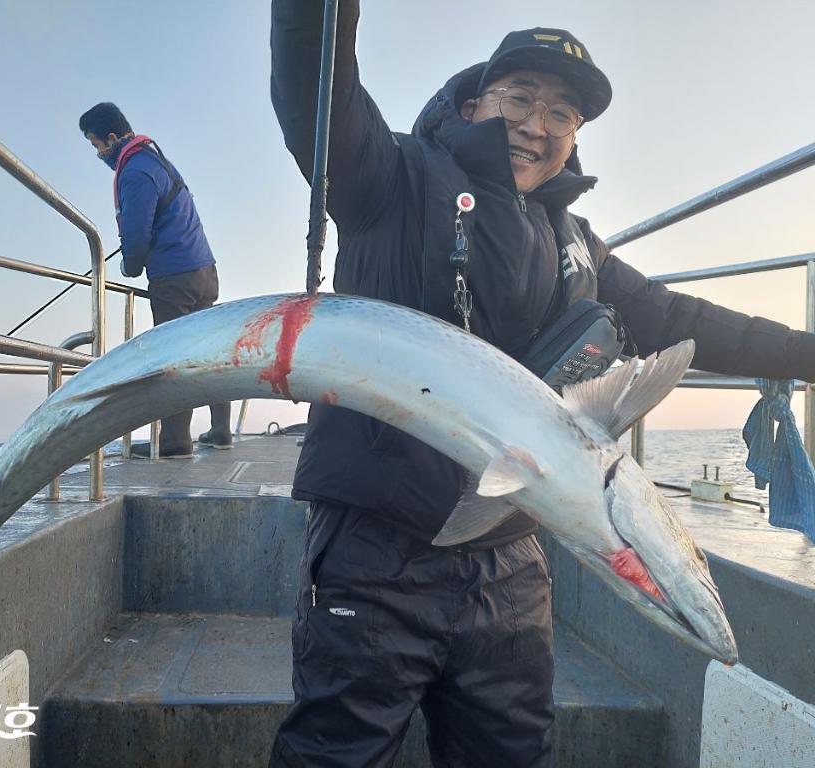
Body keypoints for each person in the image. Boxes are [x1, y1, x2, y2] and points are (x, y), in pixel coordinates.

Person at [269, 4, 815, 767]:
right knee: (339, 753)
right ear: (473, 104)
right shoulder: (390, 177)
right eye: (520, 96)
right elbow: (314, 90)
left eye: (562, 112)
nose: (537, 123)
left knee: (512, 752)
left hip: (511, 555)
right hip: (376, 541)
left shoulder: (578, 245)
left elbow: (678, 319)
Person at [79, 102, 232, 458]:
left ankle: (175, 441)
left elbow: (135, 240)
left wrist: (128, 267)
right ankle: (221, 429)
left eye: (95, 145)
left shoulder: (134, 171)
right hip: (205, 272)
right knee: (208, 354)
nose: (98, 153)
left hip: (174, 279)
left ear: (111, 139)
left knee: (173, 359)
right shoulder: (157, 160)